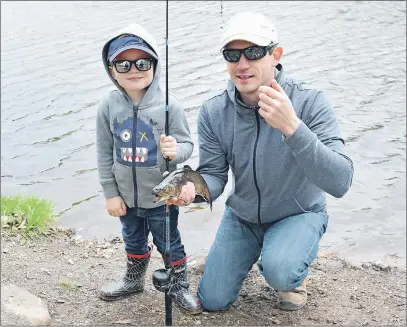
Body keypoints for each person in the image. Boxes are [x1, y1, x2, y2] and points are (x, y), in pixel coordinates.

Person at [167, 11, 354, 312]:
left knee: (280, 269)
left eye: (253, 52)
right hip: (243, 217)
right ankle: (257, 251)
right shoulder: (213, 112)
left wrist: (292, 128)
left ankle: (290, 271)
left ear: (275, 54)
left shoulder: (311, 101)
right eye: (232, 54)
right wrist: (193, 190)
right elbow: (214, 174)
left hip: (299, 212)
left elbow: (341, 181)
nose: (242, 64)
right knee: (212, 300)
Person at [96, 23, 203, 314]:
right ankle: (133, 279)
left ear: (155, 64)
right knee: (132, 238)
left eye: (143, 62)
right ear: (111, 68)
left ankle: (179, 285)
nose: (134, 69)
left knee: (169, 244)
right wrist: (110, 193)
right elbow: (104, 152)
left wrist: (175, 150)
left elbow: (187, 145)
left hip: (162, 197)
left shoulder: (170, 105)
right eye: (123, 63)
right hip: (125, 198)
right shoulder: (107, 105)